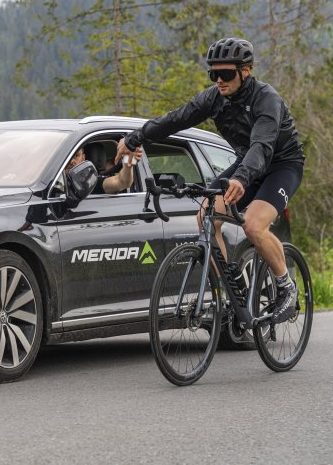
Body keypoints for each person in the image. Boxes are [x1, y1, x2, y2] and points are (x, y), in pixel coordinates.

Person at [115, 37, 305, 323]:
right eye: (213, 73)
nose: (219, 79)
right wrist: (135, 137)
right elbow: (175, 119)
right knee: (205, 215)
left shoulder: (267, 99)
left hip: (281, 164)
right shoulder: (214, 98)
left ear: (246, 71)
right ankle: (234, 291)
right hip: (246, 164)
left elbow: (262, 146)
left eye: (226, 73)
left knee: (254, 225)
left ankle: (286, 288)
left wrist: (241, 178)